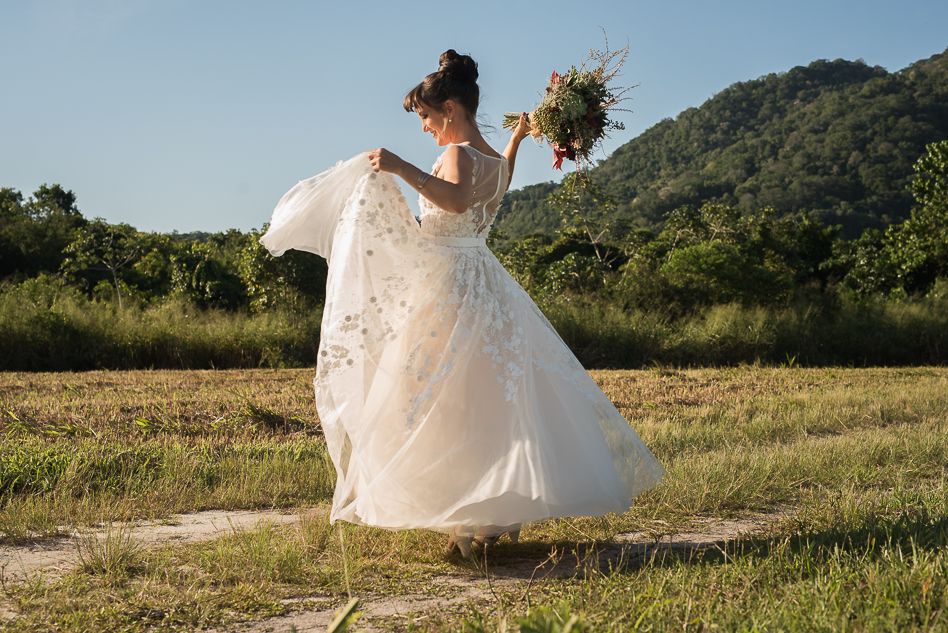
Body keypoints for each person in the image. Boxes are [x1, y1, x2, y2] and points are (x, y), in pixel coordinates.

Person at [261, 50, 665, 559]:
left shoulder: (455, 157)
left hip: (450, 284)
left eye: (427, 117)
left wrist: (398, 165)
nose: (427, 129)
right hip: (486, 284)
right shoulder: (494, 161)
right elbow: (498, 184)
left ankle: (466, 522)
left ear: (449, 108)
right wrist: (516, 139)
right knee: (485, 400)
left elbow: (453, 202)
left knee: (442, 401)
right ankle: (484, 516)